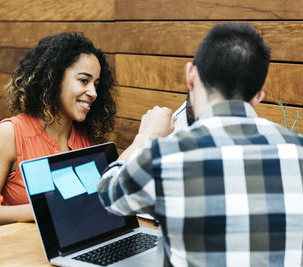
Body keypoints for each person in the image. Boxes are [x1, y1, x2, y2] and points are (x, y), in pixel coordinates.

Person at [98, 23, 303, 266]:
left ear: (191, 76)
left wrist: (145, 138)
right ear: (258, 97)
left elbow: (109, 195)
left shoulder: (166, 156)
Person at [0, 32, 116, 224]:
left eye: (96, 85)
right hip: (18, 250)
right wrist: (45, 210)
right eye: (84, 80)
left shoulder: (86, 139)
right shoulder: (9, 134)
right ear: (54, 78)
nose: (93, 93)